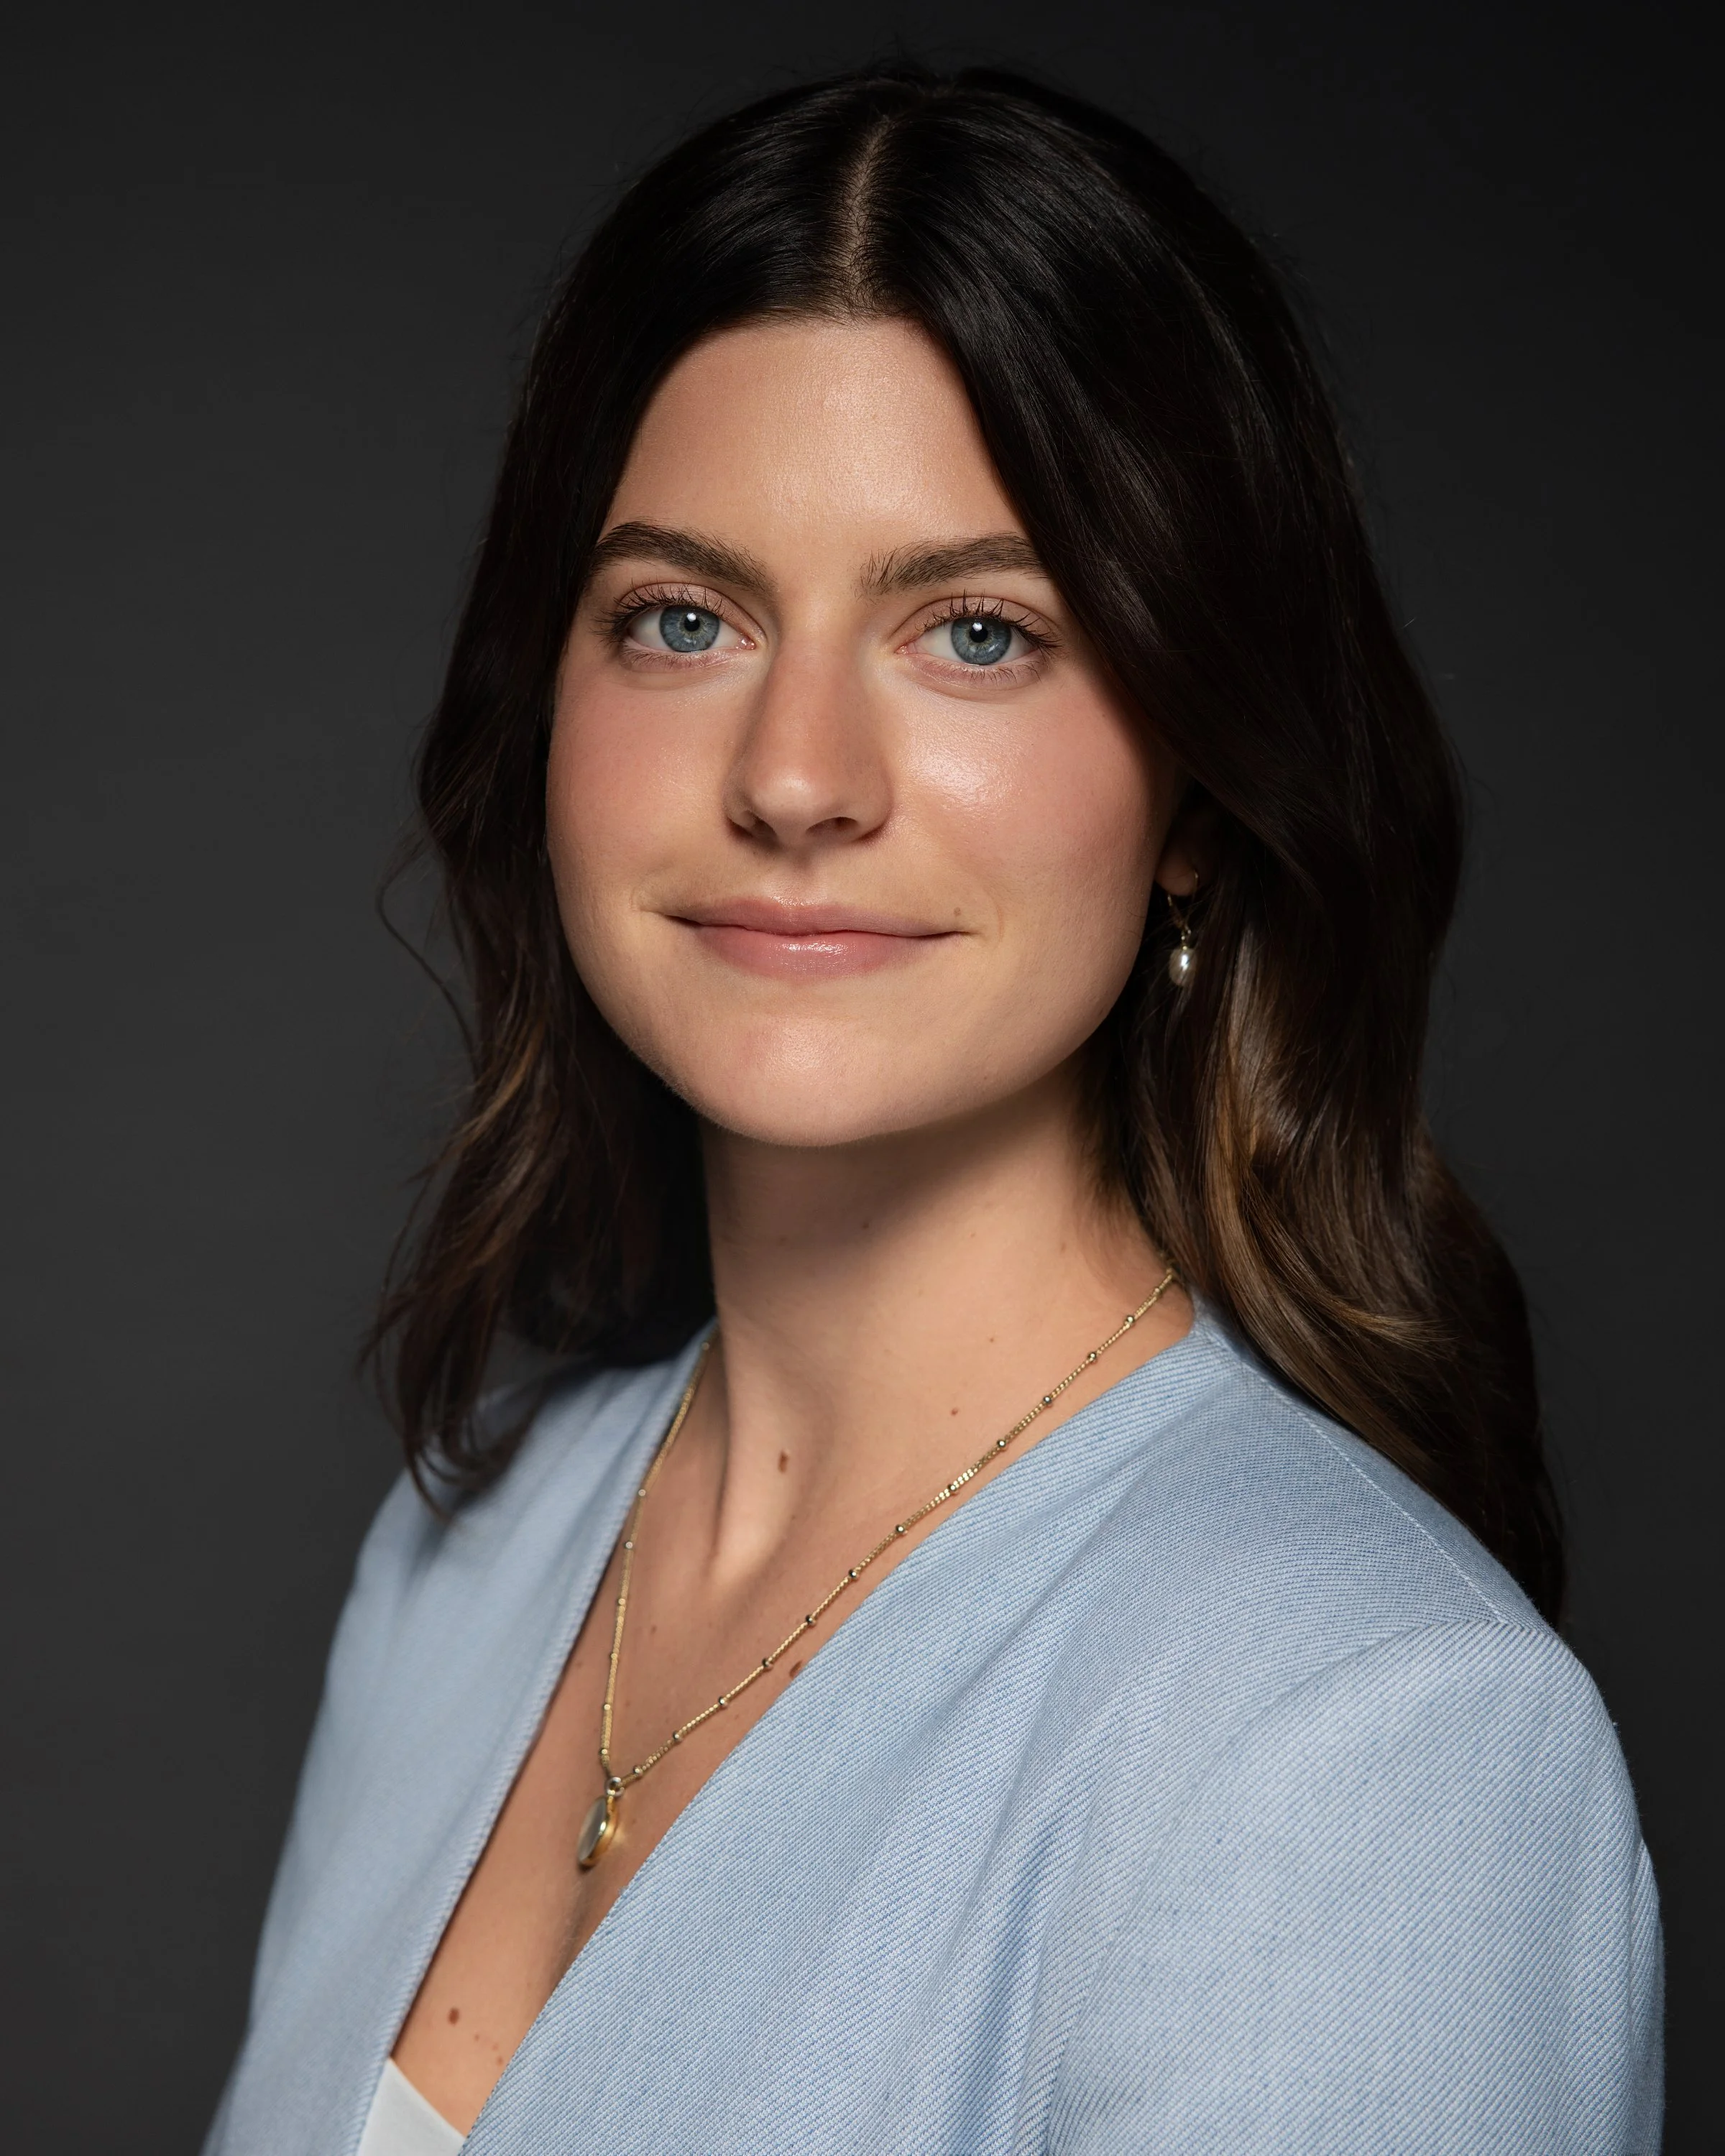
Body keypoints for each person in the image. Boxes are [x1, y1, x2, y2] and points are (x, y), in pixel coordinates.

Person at [203, 65, 1662, 2156]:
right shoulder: (464, 1556)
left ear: (1196, 783)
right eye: (681, 619)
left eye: (977, 631)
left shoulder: (1366, 1746)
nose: (798, 775)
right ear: (550, 706)